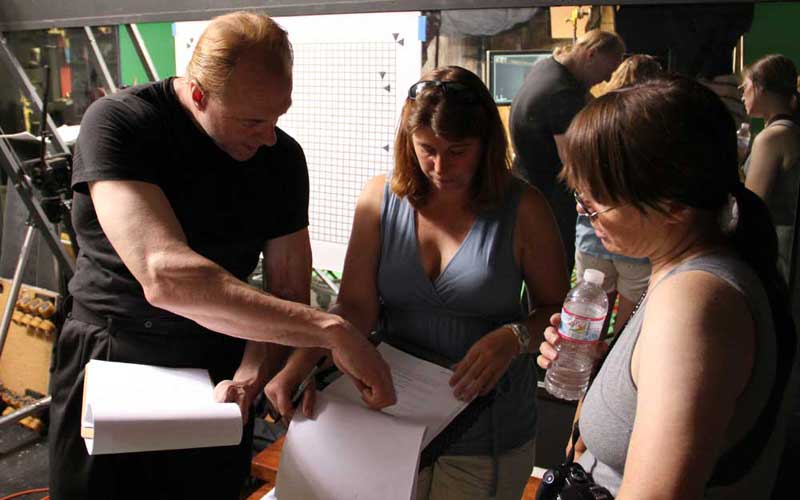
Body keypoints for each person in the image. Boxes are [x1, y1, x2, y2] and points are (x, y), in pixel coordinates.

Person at [48, 12, 395, 500]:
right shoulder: (122, 123)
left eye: (279, 115)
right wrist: (330, 330)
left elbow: (288, 288)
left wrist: (254, 367)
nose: (268, 135)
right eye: (252, 120)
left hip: (218, 367)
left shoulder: (280, 158)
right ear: (197, 95)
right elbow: (165, 274)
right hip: (116, 356)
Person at [267, 66, 568, 499]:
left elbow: (555, 312)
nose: (440, 167)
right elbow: (354, 308)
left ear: (486, 145)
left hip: (486, 430)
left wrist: (514, 337)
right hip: (390, 415)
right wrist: (299, 366)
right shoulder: (379, 198)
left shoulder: (524, 208)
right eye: (427, 149)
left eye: (458, 151)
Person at [537, 75, 796, 499]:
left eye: (595, 202)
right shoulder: (684, 270)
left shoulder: (693, 304)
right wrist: (607, 371)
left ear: (672, 204)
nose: (585, 216)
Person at [509, 29, 624, 276]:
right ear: (591, 54)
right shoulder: (562, 94)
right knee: (554, 268)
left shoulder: (547, 67)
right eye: (608, 70)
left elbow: (585, 100)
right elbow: (573, 162)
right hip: (549, 194)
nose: (606, 79)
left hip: (523, 181)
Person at [574, 54, 661, 336]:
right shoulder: (655, 129)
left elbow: (577, 179)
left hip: (592, 229)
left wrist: (587, 202)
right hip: (634, 235)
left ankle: (589, 372)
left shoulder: (594, 120)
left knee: (587, 324)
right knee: (626, 328)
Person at [741, 54, 800, 288]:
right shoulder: (789, 131)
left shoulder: (772, 137)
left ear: (759, 88)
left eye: (744, 87)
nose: (742, 94)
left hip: (778, 256)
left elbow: (753, 207)